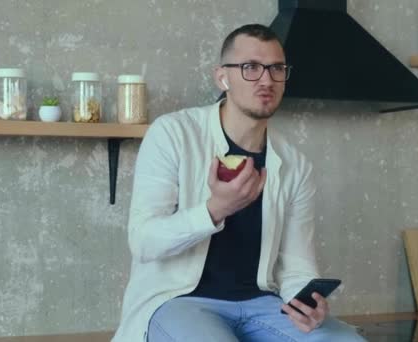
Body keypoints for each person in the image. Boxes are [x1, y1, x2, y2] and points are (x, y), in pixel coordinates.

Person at [112, 24, 366, 342]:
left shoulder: (295, 165)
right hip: (179, 302)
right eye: (250, 68)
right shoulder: (173, 133)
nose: (266, 79)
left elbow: (297, 262)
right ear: (223, 77)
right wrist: (215, 209)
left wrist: (306, 301)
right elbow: (144, 240)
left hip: (261, 303)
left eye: (276, 69)